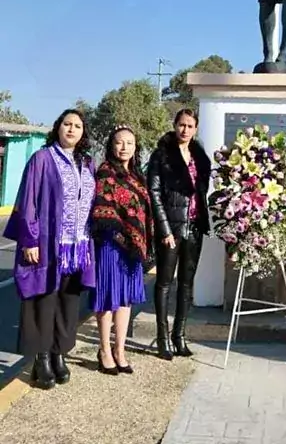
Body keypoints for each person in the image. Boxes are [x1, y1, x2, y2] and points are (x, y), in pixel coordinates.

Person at [3, 109, 96, 389]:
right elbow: (28, 201)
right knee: (44, 299)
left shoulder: (87, 163)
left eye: (77, 126)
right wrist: (30, 241)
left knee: (69, 301)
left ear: (83, 133)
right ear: (58, 128)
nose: (71, 129)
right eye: (67, 124)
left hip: (78, 246)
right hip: (47, 243)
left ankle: (59, 353)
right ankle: (41, 359)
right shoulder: (42, 159)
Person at [147, 108, 211, 359]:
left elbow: (202, 193)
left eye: (190, 126)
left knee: (186, 284)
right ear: (175, 125)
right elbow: (154, 193)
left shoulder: (200, 157)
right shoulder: (161, 155)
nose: (185, 130)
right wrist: (164, 229)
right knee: (164, 282)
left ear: (196, 129)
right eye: (181, 125)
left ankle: (179, 335)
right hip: (170, 229)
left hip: (194, 227)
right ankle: (162, 338)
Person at [90, 125, 153, 375]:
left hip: (132, 248)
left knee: (125, 298)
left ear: (136, 147)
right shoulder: (105, 172)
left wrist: (138, 239)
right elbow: (102, 209)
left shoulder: (138, 176)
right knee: (108, 297)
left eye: (130, 142)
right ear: (111, 145)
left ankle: (120, 350)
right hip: (110, 244)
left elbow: (143, 213)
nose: (124, 147)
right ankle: (104, 350)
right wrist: (120, 234)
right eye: (119, 142)